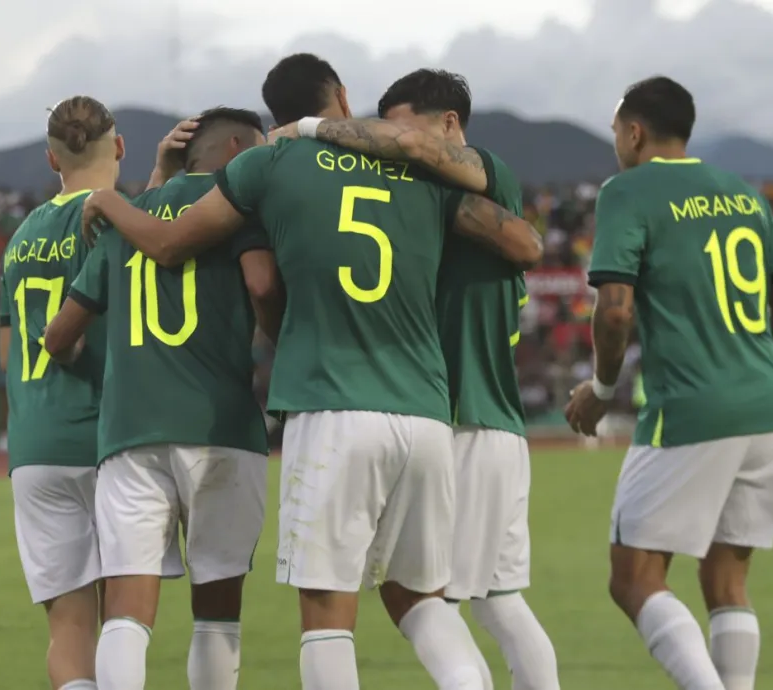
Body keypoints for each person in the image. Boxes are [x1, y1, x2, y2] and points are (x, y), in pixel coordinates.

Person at [79, 53, 543, 690]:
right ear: (344, 97)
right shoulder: (418, 169)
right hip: (427, 416)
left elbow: (171, 242)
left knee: (327, 616)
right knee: (424, 603)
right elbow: (524, 245)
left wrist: (111, 197)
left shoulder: (268, 162)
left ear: (275, 114)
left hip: (332, 406)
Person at [275, 67, 559, 690]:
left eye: (396, 128)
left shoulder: (474, 168)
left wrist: (305, 130)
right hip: (485, 421)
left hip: (459, 416)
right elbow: (526, 244)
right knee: (481, 600)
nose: (380, 143)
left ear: (449, 125)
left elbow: (409, 149)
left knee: (430, 601)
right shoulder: (446, 195)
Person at [564, 76, 773, 690]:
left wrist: (600, 387)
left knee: (634, 577)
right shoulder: (742, 192)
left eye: (617, 129)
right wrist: (749, 367)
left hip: (689, 409)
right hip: (763, 408)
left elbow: (616, 309)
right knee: (727, 583)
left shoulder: (628, 190)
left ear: (635, 131)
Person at [44, 107, 281, 690]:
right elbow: (262, 284)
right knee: (217, 609)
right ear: (233, 148)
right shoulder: (242, 206)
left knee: (126, 609)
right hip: (220, 425)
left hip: (129, 433)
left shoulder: (128, 215)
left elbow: (57, 337)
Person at [0, 95, 118, 690]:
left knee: (69, 631)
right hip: (108, 436)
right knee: (126, 621)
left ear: (51, 158)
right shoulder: (116, 217)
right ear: (118, 146)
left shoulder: (20, 237)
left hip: (35, 444)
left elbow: (6, 352)